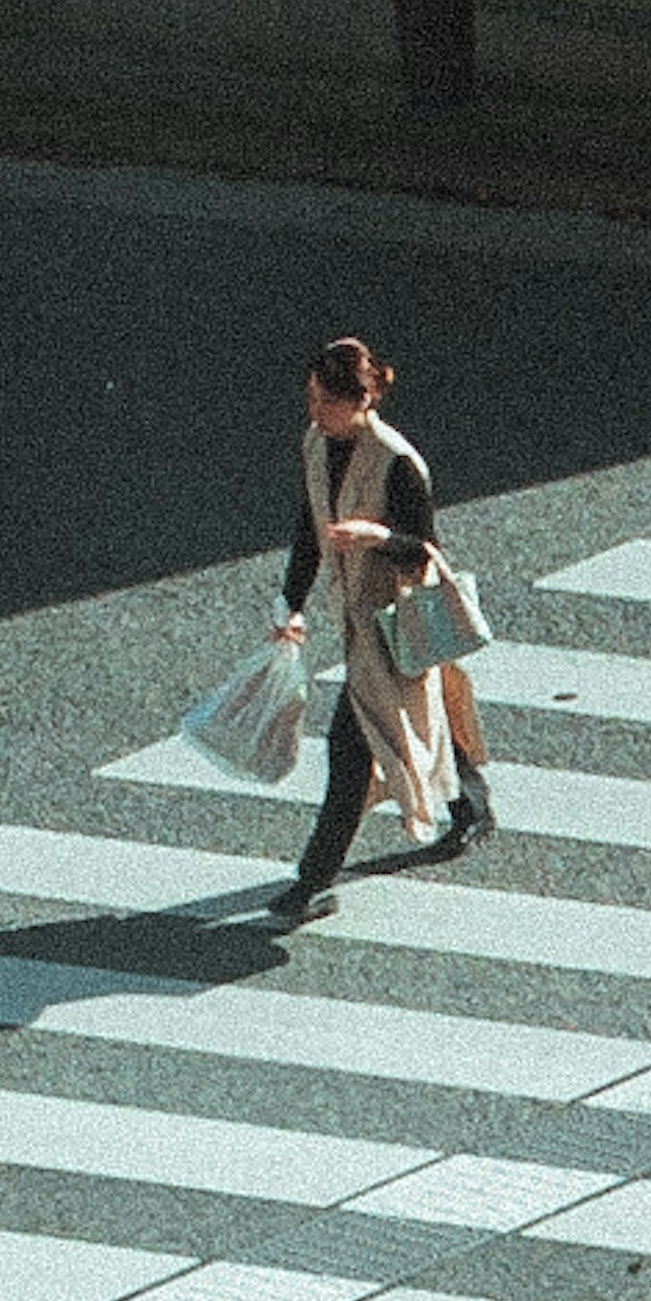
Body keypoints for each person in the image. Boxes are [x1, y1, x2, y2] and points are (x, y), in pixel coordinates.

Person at [264, 333, 497, 919]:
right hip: (357, 619)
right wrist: (290, 602)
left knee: (351, 744)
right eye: (312, 400)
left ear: (361, 401)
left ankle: (312, 881)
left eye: (326, 402)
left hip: (394, 620)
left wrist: (378, 538)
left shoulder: (397, 463)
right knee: (426, 710)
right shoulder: (317, 445)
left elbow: (425, 552)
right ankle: (470, 803)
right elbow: (307, 526)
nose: (315, 413)